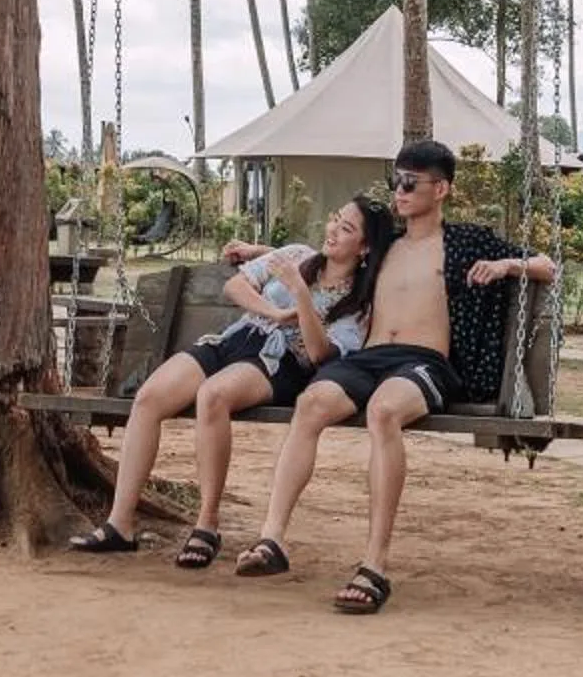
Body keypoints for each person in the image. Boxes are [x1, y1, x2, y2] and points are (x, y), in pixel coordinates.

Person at [234, 139, 557, 614]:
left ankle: (374, 566)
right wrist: (258, 250)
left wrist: (507, 265)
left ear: (441, 188)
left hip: (424, 362)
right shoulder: (383, 243)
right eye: (396, 181)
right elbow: (336, 247)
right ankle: (272, 540)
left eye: (410, 182)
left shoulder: (466, 241)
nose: (400, 191)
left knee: (384, 411)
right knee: (310, 405)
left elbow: (547, 265)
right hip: (368, 358)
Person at [69, 196, 394, 568]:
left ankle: (206, 524)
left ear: (365, 247)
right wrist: (273, 311)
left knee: (213, 396)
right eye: (335, 218)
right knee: (149, 398)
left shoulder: (358, 305)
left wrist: (302, 297)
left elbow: (320, 355)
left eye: (347, 228)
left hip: (280, 361)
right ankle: (120, 525)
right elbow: (236, 287)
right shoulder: (298, 254)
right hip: (237, 338)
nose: (333, 230)